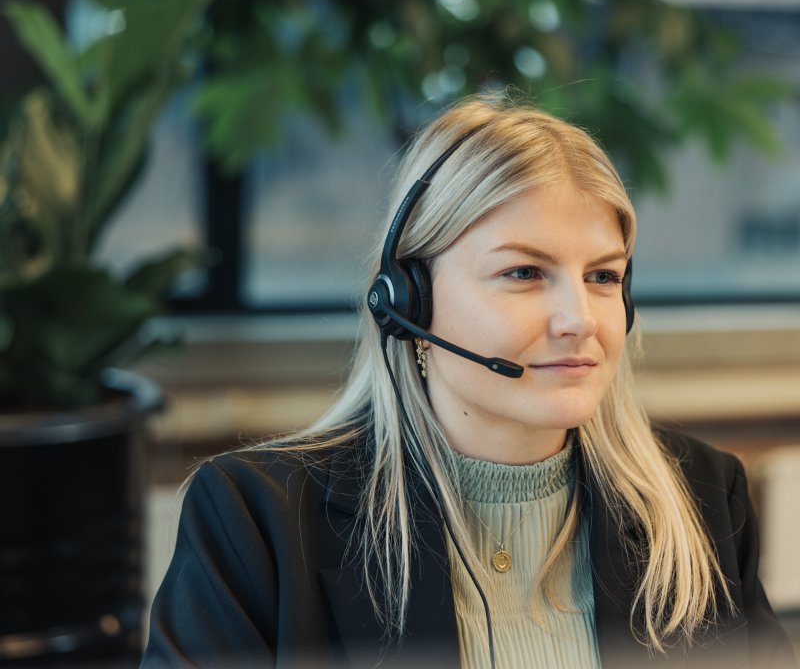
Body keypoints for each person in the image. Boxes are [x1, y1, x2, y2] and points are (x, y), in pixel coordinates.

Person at [141, 97, 796, 668]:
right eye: (524, 273)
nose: (579, 321)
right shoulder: (256, 522)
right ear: (409, 302)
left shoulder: (705, 500)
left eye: (603, 277)